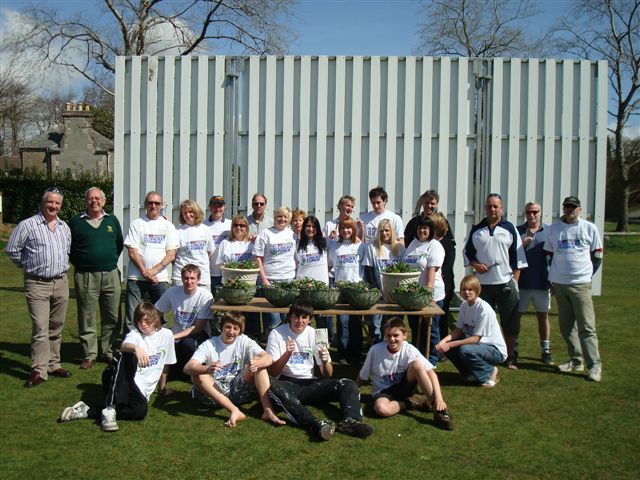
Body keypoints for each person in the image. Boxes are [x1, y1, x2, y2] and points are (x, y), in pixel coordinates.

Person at [59, 302, 176, 432]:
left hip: (140, 389)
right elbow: (124, 346)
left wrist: (162, 389)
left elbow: (166, 363)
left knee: (139, 412)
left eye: (147, 321)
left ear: (155, 320)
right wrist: (136, 348)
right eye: (139, 321)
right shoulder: (135, 334)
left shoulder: (167, 335)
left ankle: (87, 410)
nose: (143, 324)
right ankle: (110, 409)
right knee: (127, 355)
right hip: (118, 377)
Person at [267, 301, 373, 440]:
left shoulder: (316, 334)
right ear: (290, 317)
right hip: (286, 383)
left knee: (348, 383)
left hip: (309, 383)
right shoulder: (276, 334)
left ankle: (351, 422)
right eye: (296, 317)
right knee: (274, 388)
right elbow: (273, 372)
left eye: (304, 317)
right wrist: (287, 354)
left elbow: (327, 374)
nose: (300, 321)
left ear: (310, 319)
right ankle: (316, 424)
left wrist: (324, 361)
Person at [7, 186, 73, 388]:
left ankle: (54, 364)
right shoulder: (28, 225)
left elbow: (67, 250)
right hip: (37, 283)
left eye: (57, 203)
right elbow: (12, 250)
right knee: (40, 328)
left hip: (61, 282)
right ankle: (39, 369)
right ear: (43, 203)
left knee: (57, 326)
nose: (53, 206)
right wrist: (27, 267)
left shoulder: (64, 227)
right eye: (50, 202)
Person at [184, 311, 285, 428]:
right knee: (198, 374)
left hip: (237, 390)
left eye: (236, 329)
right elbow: (188, 367)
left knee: (259, 365)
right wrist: (207, 368)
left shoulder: (244, 341)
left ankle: (268, 411)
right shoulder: (209, 344)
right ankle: (234, 410)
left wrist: (256, 362)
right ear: (221, 327)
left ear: (240, 330)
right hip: (213, 393)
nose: (231, 332)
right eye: (228, 327)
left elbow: (268, 358)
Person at [463, 193, 527, 369]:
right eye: (489, 206)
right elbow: (467, 252)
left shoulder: (510, 228)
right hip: (483, 286)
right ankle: (486, 355)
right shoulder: (477, 229)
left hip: (506, 283)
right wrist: (476, 264)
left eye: (495, 206)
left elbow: (518, 258)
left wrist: (514, 281)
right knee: (484, 322)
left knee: (510, 321)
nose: (492, 209)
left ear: (501, 208)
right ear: (485, 208)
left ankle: (511, 355)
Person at [544, 196, 603, 382]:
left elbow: (598, 255)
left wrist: (585, 275)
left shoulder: (589, 228)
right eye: (567, 207)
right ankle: (576, 360)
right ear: (563, 208)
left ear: (579, 209)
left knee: (586, 326)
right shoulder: (554, 229)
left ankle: (594, 365)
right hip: (559, 284)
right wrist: (554, 278)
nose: (570, 210)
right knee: (566, 326)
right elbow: (548, 255)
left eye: (573, 207)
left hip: (580, 285)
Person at [357, 317, 453, 430]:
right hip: (383, 391)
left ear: (404, 335)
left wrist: (439, 399)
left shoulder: (409, 349)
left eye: (396, 335)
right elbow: (363, 375)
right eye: (388, 335)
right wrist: (353, 390)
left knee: (417, 364)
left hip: (404, 386)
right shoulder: (375, 350)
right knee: (381, 409)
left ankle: (438, 409)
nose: (392, 339)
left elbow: (431, 373)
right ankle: (410, 403)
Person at [69, 187, 124, 369]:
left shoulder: (112, 220)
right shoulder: (76, 222)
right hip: (86, 275)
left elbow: (119, 244)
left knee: (112, 315)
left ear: (103, 201)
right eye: (91, 198)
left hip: (110, 273)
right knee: (87, 315)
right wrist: (85, 263)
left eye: (98, 198)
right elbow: (70, 249)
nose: (94, 201)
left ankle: (108, 351)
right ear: (86, 201)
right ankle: (90, 354)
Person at [436, 275, 507, 388]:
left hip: (494, 349)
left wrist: (450, 344)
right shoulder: (464, 305)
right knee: (451, 348)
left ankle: (490, 372)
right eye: (464, 289)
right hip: (477, 346)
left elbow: (476, 339)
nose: (467, 292)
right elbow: (458, 331)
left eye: (470, 289)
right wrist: (443, 342)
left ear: (477, 290)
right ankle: (469, 374)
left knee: (465, 349)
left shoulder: (483, 308)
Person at [124, 191, 179, 332]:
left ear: (162, 205)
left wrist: (153, 271)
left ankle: (158, 346)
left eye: (157, 203)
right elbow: (132, 252)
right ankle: (131, 350)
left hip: (160, 278)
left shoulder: (168, 226)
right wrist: (145, 272)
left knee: (159, 316)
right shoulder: (136, 224)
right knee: (133, 316)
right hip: (136, 277)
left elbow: (171, 254)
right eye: (150, 203)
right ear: (145, 205)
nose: (153, 205)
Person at [155, 264, 214, 386]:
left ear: (198, 279)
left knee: (188, 344)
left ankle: (197, 371)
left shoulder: (206, 296)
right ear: (181, 279)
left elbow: (197, 328)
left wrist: (171, 337)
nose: (189, 281)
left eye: (193, 278)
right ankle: (181, 371)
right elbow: (155, 313)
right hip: (176, 334)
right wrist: (156, 332)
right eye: (186, 278)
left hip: (197, 335)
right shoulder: (172, 292)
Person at [403, 216, 445, 365]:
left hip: (430, 294)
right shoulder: (413, 244)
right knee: (416, 327)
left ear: (431, 230)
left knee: (431, 329)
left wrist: (428, 293)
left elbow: (431, 271)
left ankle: (432, 359)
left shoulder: (435, 246)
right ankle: (417, 357)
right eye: (420, 228)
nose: (422, 231)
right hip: (413, 295)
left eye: (425, 228)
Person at [516, 201, 554, 365]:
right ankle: (513, 349)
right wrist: (520, 246)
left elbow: (554, 257)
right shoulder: (518, 231)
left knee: (543, 317)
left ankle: (545, 350)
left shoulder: (549, 231)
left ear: (540, 212)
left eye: (535, 212)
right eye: (528, 212)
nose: (532, 215)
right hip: (521, 283)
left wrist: (553, 280)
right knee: (515, 318)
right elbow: (510, 254)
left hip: (542, 282)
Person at [328, 216, 366, 364]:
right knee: (342, 322)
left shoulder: (360, 246)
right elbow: (330, 265)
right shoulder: (334, 247)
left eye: (349, 227)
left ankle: (355, 353)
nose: (346, 230)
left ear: (354, 229)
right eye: (343, 228)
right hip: (340, 289)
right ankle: (342, 353)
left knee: (356, 323)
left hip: (356, 289)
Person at [254, 206, 297, 336]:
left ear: (289, 219)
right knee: (273, 321)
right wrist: (264, 279)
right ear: (274, 217)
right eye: (279, 216)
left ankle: (287, 350)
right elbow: (257, 257)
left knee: (287, 319)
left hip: (288, 281)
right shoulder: (265, 234)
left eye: (285, 217)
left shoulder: (293, 235)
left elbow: (298, 257)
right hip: (270, 281)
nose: (282, 219)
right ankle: (271, 349)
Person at [362, 218, 405, 344]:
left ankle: (393, 351)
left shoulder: (399, 248)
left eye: (387, 230)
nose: (384, 233)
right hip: (378, 294)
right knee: (376, 326)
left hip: (395, 295)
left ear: (392, 231)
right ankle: (375, 350)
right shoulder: (372, 247)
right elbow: (368, 271)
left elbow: (404, 272)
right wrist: (377, 290)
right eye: (381, 231)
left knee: (393, 325)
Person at [295, 215, 333, 343]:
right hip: (304, 290)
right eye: (308, 226)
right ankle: (305, 345)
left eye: (313, 226)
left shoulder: (326, 243)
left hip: (321, 290)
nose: (310, 229)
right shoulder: (298, 244)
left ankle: (323, 348)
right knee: (304, 319)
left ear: (317, 228)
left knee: (322, 321)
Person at [173, 199, 213, 289]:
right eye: (184, 213)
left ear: (196, 212)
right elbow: (173, 254)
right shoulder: (177, 231)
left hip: (203, 277)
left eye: (190, 212)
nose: (188, 215)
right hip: (181, 278)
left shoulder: (206, 230)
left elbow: (209, 253)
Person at [430, 212, 456, 339]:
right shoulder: (429, 243)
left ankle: (441, 345)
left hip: (444, 285)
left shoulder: (446, 244)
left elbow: (446, 266)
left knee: (441, 318)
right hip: (432, 284)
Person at [204, 195, 232, 291]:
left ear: (224, 207)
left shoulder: (231, 224)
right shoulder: (202, 225)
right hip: (208, 272)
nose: (217, 209)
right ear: (209, 207)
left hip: (227, 273)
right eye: (214, 206)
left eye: (220, 206)